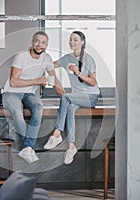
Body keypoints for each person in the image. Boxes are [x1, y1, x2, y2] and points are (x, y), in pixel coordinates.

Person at [2, 31, 64, 163]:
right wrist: (37, 80)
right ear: (32, 42)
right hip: (11, 92)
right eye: (37, 41)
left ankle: (28, 148)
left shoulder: (46, 58)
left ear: (46, 45)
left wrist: (66, 97)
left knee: (38, 106)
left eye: (43, 42)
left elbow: (54, 80)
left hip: (28, 94)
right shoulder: (21, 57)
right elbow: (13, 81)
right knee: (17, 110)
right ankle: (28, 146)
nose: (39, 44)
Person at [43, 31, 100, 164]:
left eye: (75, 39)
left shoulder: (88, 59)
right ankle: (71, 146)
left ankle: (57, 133)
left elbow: (93, 82)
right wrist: (42, 60)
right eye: (70, 40)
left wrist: (78, 73)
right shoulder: (67, 58)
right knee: (69, 110)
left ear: (82, 42)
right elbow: (50, 65)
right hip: (76, 97)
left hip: (90, 96)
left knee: (65, 97)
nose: (72, 42)